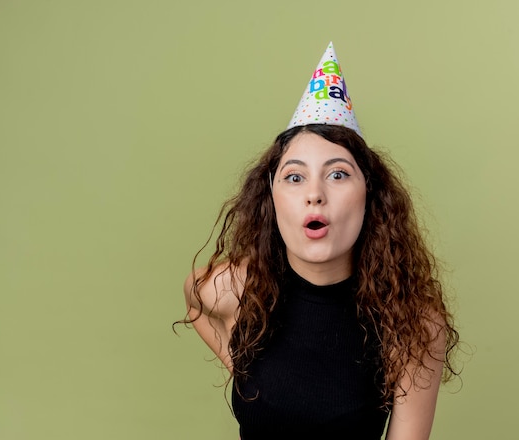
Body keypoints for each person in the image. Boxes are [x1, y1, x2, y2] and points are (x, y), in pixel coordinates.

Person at [175, 43, 459, 440]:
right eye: (294, 177)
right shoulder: (236, 288)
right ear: (271, 199)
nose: (315, 193)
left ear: (370, 196)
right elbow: (192, 296)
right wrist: (241, 364)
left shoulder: (413, 324)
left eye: (338, 174)